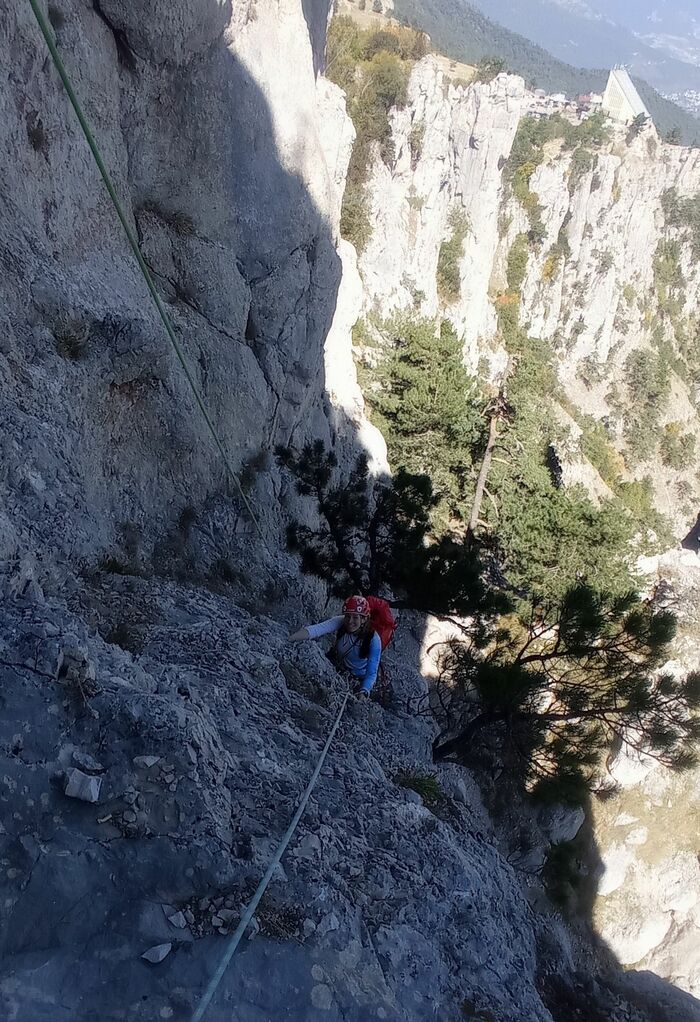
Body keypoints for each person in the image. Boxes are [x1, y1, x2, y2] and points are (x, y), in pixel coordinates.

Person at [288, 595, 382, 698]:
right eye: (348, 616)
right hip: (342, 668)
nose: (350, 621)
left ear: (364, 619)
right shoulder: (341, 622)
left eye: (355, 617)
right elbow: (316, 630)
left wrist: (364, 691)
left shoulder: (374, 640)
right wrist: (290, 639)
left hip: (360, 678)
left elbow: (372, 673)